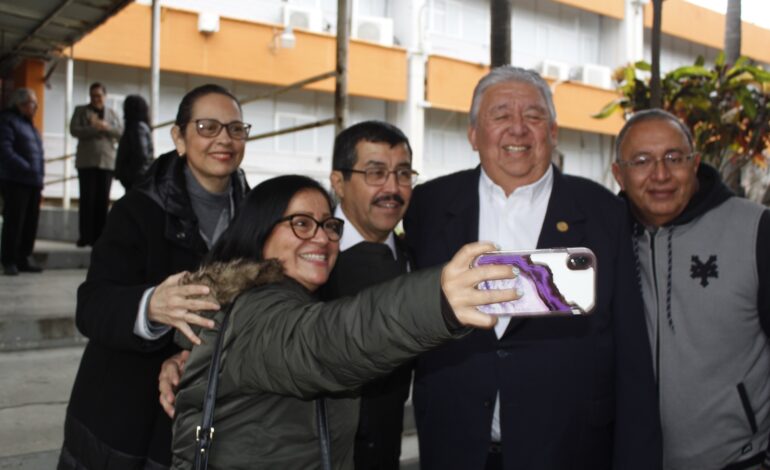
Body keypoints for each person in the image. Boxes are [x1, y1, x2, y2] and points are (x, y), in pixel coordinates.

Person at [403, 66, 662, 470]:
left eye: (534, 116)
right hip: (454, 447)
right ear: (473, 133)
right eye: (501, 115)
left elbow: (631, 348)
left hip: (569, 450)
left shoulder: (604, 212)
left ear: (553, 131)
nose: (518, 130)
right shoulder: (428, 206)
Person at [170, 174, 517, 469]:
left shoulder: (275, 301)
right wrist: (436, 300)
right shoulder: (254, 310)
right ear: (259, 231)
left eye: (329, 225)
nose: (321, 237)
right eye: (301, 223)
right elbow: (325, 342)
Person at [58, 84, 250, 470]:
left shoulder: (256, 216)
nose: (223, 140)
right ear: (179, 137)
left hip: (208, 411)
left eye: (235, 129)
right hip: (120, 412)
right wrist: (149, 307)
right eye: (207, 127)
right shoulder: (138, 209)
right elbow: (91, 305)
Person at [611, 109, 770, 469]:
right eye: (641, 161)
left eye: (673, 158)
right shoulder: (606, 237)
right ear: (619, 174)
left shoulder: (755, 230)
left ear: (695, 163)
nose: (661, 175)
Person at [325, 120, 416, 469]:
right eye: (376, 173)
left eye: (403, 173)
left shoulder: (420, 258)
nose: (392, 188)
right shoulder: (303, 255)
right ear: (339, 183)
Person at [70, 82, 123, 247]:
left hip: (106, 162)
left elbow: (120, 133)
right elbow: (74, 130)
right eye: (93, 96)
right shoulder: (81, 111)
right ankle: (85, 236)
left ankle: (99, 237)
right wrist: (94, 128)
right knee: (87, 199)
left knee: (102, 200)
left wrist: (105, 127)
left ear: (104, 97)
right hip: (86, 162)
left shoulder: (112, 113)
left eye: (99, 96)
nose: (96, 99)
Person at [0, 88, 44, 275]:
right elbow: (5, 150)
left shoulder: (30, 125)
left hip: (33, 181)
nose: (36, 107)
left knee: (30, 223)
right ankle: (9, 260)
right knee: (14, 221)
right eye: (33, 103)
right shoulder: (7, 121)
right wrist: (26, 167)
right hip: (16, 180)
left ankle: (23, 258)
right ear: (21, 104)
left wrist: (38, 174)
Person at [115, 94, 154, 191]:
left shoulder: (137, 127)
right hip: (137, 176)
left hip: (136, 177)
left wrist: (128, 174)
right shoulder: (139, 127)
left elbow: (141, 155)